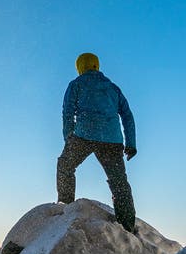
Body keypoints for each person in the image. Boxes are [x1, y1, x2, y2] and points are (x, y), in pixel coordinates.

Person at [57, 52, 137, 232]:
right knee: (119, 182)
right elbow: (127, 115)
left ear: (80, 67)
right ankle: (127, 226)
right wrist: (131, 142)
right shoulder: (112, 88)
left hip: (84, 135)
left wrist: (68, 137)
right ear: (96, 65)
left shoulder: (76, 84)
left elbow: (67, 112)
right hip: (112, 139)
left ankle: (65, 206)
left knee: (65, 165)